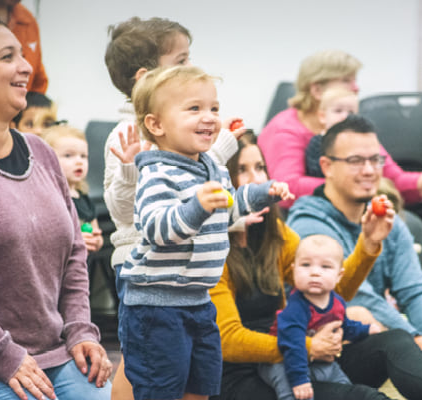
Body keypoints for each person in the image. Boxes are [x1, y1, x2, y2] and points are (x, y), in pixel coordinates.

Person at [211, 131, 422, 400]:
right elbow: (228, 340)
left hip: (295, 362)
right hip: (244, 380)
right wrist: (308, 347)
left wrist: (368, 244)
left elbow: (325, 294)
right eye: (242, 170)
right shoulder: (213, 245)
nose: (258, 180)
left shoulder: (272, 233)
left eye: (260, 167)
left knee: (394, 340)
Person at [0, 9, 111, 400]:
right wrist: (2, 354)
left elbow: (74, 251)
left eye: (23, 55)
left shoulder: (41, 151)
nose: (26, 66)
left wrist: (79, 329)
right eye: (7, 57)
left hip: (56, 352)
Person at [118, 65, 293, 400]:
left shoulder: (210, 167)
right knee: (161, 388)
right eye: (194, 109)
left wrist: (263, 193)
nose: (210, 117)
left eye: (214, 108)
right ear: (156, 125)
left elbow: (229, 207)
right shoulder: (157, 172)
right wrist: (197, 206)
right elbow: (158, 229)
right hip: (157, 307)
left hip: (198, 301)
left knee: (202, 385)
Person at [102, 16, 245, 399]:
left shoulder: (184, 135)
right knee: (144, 367)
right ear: (146, 77)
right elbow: (124, 206)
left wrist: (218, 142)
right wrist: (222, 142)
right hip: (143, 263)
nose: (191, 68)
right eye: (181, 62)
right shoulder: (128, 135)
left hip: (184, 275)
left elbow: (199, 185)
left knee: (179, 370)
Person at [287, 114, 422, 375]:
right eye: (355, 161)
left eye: (375, 160)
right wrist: (417, 341)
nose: (369, 170)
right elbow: (357, 295)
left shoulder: (384, 216)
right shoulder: (310, 225)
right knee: (359, 313)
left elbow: (413, 289)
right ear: (327, 166)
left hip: (389, 326)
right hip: (338, 347)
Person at [259, 49, 422, 210]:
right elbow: (287, 189)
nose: (356, 87)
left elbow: (392, 179)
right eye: (347, 80)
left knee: (408, 226)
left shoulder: (350, 126)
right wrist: (350, 188)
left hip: (354, 208)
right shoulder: (285, 130)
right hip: (304, 219)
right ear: (317, 90)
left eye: (355, 80)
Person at [258, 234, 382, 400]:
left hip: (317, 360)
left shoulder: (337, 301)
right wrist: (300, 380)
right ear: (294, 269)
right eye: (306, 265)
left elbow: (344, 326)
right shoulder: (295, 308)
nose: (315, 272)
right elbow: (293, 345)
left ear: (339, 275)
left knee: (344, 385)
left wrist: (366, 329)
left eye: (325, 267)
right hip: (282, 360)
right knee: (293, 392)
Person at [43, 125, 104, 253]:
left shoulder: (85, 199)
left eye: (83, 156)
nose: (79, 161)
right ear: (47, 160)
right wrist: (76, 240)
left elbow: (94, 230)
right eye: (68, 155)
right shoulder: (49, 198)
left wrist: (97, 241)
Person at [304, 86, 359, 178]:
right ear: (322, 116)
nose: (345, 116)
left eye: (351, 112)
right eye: (338, 111)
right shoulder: (318, 142)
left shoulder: (359, 142)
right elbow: (316, 171)